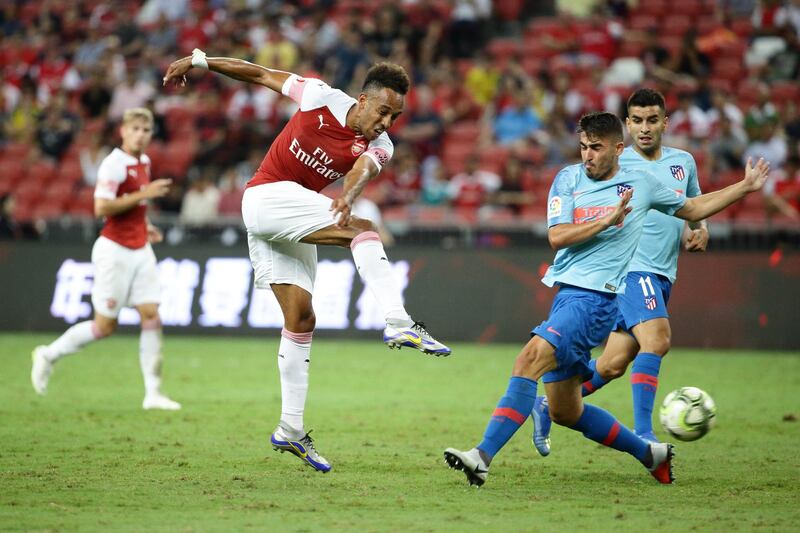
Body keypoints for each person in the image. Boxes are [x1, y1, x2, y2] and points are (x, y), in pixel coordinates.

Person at [162, 49, 450, 473]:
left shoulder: (381, 145)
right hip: (264, 197)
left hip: (292, 213)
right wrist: (202, 61)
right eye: (384, 112)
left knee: (301, 318)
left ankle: (290, 430)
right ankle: (399, 322)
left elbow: (361, 172)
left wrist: (347, 196)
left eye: (396, 117)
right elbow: (260, 73)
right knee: (363, 229)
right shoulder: (319, 96)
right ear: (363, 100)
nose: (387, 124)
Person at [443, 112, 769, 487]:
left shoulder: (641, 185)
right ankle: (651, 453)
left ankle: (481, 457)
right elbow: (558, 236)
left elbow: (692, 209)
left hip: (597, 300)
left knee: (527, 360)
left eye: (596, 148)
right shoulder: (567, 178)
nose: (587, 155)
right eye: (583, 147)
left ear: (618, 147)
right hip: (567, 296)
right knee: (566, 410)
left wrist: (744, 188)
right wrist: (606, 220)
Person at [531, 89, 714, 455]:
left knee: (614, 363)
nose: (644, 128)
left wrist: (701, 228)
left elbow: (693, 205)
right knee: (657, 341)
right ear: (626, 126)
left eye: (652, 120)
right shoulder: (614, 162)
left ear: (665, 122)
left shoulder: (684, 162)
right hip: (632, 269)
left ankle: (548, 405)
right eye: (637, 121)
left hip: (663, 272)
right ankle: (644, 434)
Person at [31, 108, 180, 411]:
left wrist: (144, 224)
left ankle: (153, 393)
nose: (141, 134)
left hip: (139, 248)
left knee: (151, 314)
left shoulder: (144, 161)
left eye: (146, 130)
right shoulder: (113, 164)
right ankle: (48, 354)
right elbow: (101, 208)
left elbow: (133, 206)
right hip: (114, 251)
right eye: (135, 128)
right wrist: (143, 195)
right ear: (123, 131)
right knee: (104, 326)